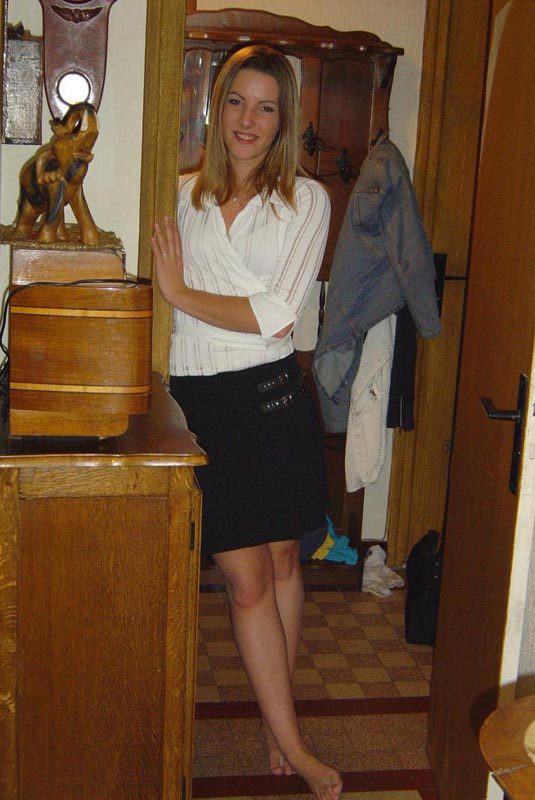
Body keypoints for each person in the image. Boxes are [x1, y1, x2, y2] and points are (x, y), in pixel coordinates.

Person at [151, 45, 342, 800]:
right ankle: (295, 745)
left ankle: (275, 722)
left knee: (285, 562)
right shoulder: (179, 196)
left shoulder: (306, 201)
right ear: (215, 105)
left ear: (283, 120)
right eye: (237, 101)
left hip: (272, 398)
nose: (248, 120)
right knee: (246, 580)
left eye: (266, 107)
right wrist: (181, 299)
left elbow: (276, 317)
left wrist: (181, 293)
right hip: (204, 405)